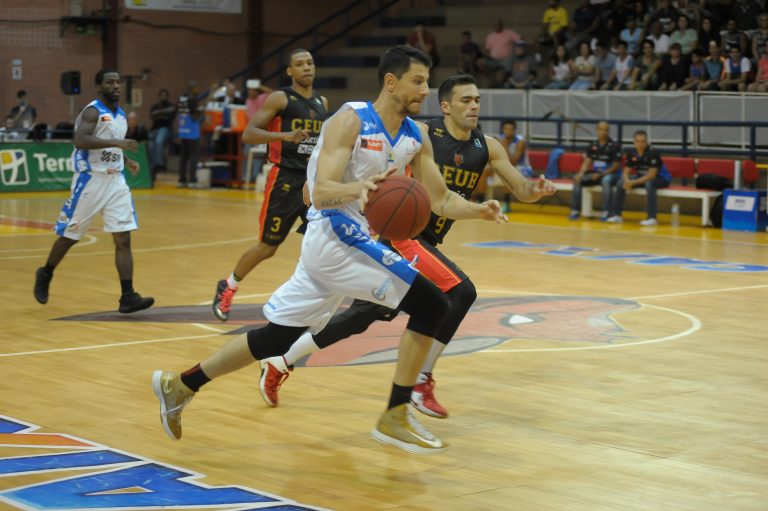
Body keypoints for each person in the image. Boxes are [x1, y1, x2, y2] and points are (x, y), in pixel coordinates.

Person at [152, 46, 505, 453]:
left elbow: (440, 199)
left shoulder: (415, 135)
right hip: (334, 235)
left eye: (427, 82)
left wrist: (478, 210)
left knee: (276, 338)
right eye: (418, 81)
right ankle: (394, 416)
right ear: (391, 82)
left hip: (351, 241)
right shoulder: (351, 119)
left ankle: (181, 384)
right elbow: (320, 192)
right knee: (433, 304)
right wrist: (361, 189)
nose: (425, 90)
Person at [254, 75, 556, 418]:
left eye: (477, 100)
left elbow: (522, 189)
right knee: (461, 292)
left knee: (361, 317)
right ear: (445, 106)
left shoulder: (488, 146)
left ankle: (280, 361)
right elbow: (358, 152)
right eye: (465, 100)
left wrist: (537, 190)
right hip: (403, 236)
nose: (474, 106)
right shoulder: (420, 134)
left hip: (424, 239)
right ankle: (420, 381)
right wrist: (319, 181)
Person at [211, 49, 328, 321]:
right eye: (300, 64)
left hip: (311, 181)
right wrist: (285, 135)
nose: (306, 67)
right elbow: (249, 134)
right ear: (290, 71)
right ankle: (228, 285)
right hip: (284, 180)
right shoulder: (280, 98)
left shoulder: (322, 102)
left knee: (322, 241)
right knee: (268, 246)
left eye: (310, 63)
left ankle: (313, 301)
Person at [33, 69, 154, 313]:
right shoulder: (92, 111)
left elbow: (109, 146)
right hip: (91, 180)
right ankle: (46, 272)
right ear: (99, 86)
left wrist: (125, 159)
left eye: (118, 82)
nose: (116, 86)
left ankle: (127, 295)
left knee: (123, 237)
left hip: (116, 181)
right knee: (70, 235)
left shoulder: (120, 115)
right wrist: (118, 143)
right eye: (110, 82)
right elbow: (81, 140)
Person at [606, 130, 671, 226]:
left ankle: (652, 218)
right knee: (620, 183)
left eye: (643, 141)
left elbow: (652, 175)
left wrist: (633, 183)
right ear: (634, 142)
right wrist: (627, 181)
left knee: (649, 184)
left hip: (661, 178)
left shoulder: (653, 153)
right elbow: (626, 171)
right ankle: (617, 215)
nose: (641, 144)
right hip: (642, 177)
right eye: (638, 141)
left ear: (646, 142)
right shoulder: (631, 153)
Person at [568, 121, 621, 221]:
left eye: (606, 130)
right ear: (597, 130)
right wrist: (581, 173)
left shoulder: (614, 146)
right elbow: (587, 162)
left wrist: (600, 174)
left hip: (610, 174)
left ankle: (606, 211)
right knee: (578, 179)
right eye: (601, 129)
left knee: (606, 180)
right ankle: (575, 210)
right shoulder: (593, 145)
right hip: (596, 174)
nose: (603, 132)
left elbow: (615, 166)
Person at [176, 81, 204, 188]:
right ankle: (192, 180)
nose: (198, 90)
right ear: (193, 88)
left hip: (183, 131)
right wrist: (201, 112)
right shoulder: (193, 99)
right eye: (197, 88)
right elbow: (194, 116)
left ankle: (182, 179)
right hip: (192, 132)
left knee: (184, 157)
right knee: (194, 157)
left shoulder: (181, 98)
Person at [148, 89, 176, 177]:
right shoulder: (154, 106)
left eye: (165, 95)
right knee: (150, 143)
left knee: (158, 141)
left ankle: (159, 165)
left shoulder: (171, 106)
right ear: (159, 96)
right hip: (154, 129)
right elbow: (153, 117)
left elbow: (171, 117)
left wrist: (160, 114)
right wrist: (164, 114)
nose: (163, 97)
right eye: (162, 95)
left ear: (167, 96)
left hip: (165, 129)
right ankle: (151, 166)